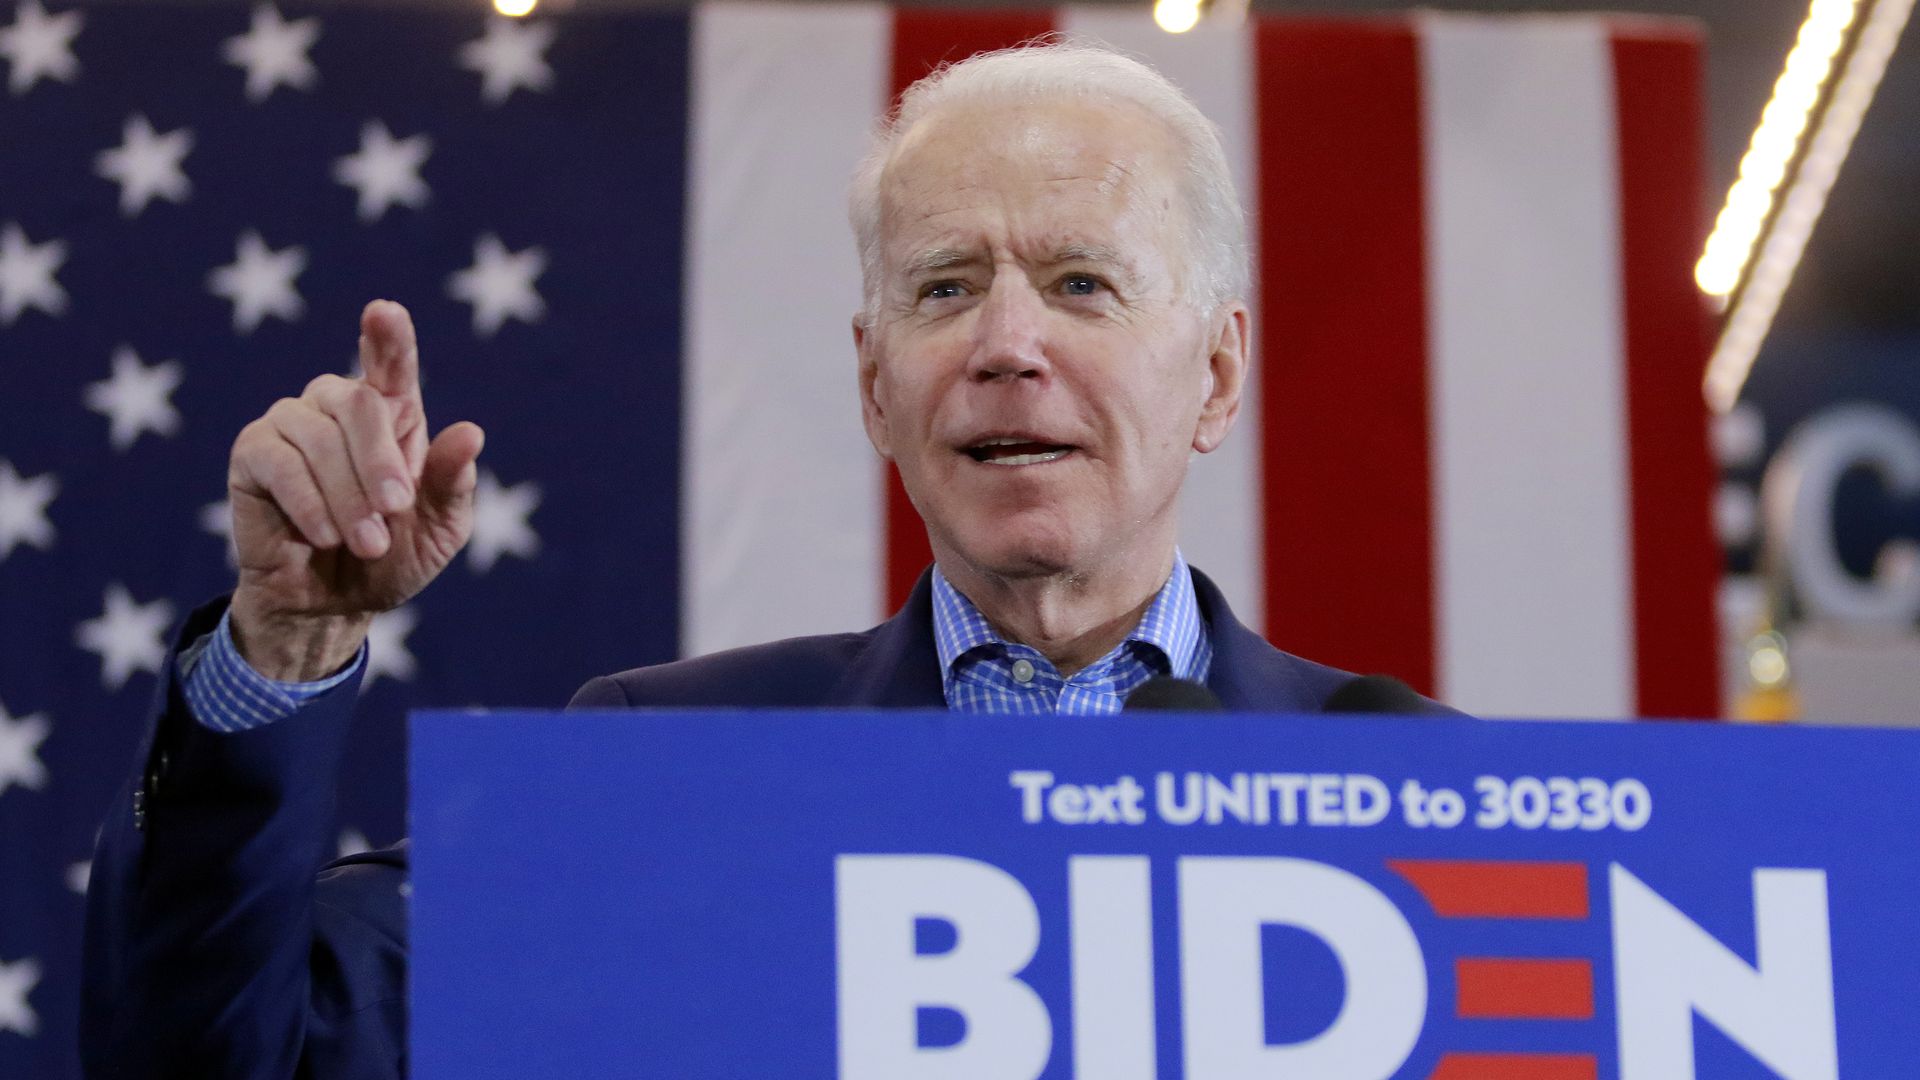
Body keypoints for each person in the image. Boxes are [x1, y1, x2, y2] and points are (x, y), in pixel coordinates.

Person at [80, 41, 1450, 1079]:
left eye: (1083, 283)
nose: (1006, 344)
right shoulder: (669, 765)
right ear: (875, 383)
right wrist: (287, 643)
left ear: (1215, 375)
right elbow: (219, 1053)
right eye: (946, 287)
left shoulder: (1425, 794)